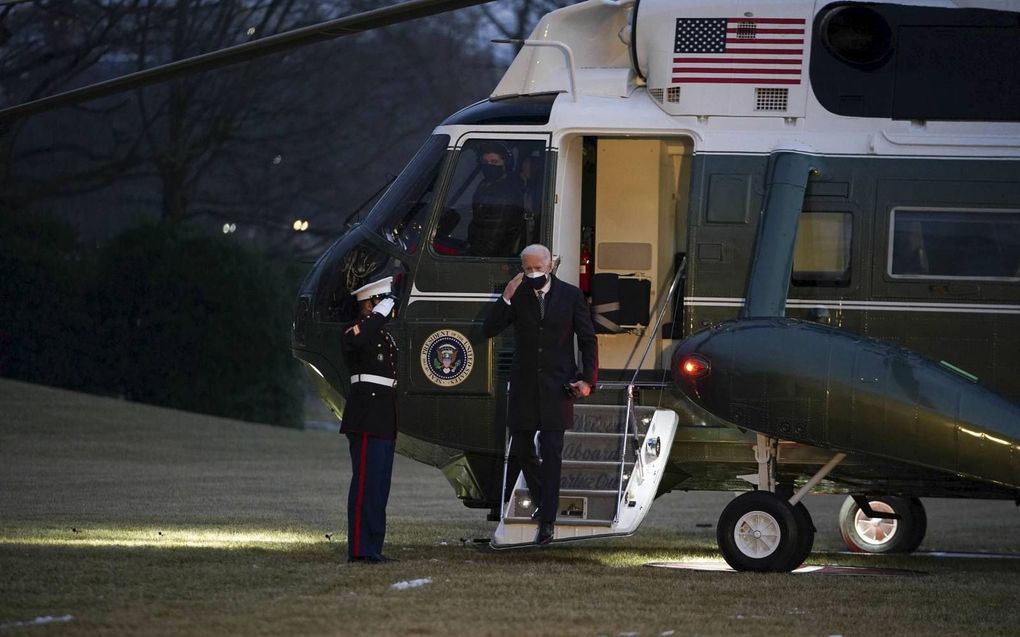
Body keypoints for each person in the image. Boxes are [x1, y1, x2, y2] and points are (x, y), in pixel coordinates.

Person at [483, 244, 598, 545]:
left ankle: (547, 522)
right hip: (524, 386)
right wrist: (505, 298)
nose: (533, 272)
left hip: (558, 386)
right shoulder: (517, 294)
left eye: (537, 266)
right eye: (527, 267)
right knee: (522, 448)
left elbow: (588, 340)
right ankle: (544, 501)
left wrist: (587, 379)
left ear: (550, 265)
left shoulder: (571, 295)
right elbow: (489, 328)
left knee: (552, 451)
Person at [340, 275, 399, 563]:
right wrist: (377, 314)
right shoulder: (355, 330)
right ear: (370, 302)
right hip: (366, 414)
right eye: (382, 300)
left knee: (379, 484)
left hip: (384, 415)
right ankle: (360, 549)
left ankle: (374, 546)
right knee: (365, 483)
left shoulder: (383, 334)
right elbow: (359, 338)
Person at [467, 144, 526, 257]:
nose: (489, 166)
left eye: (494, 162)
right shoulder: (485, 185)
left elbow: (494, 235)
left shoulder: (506, 192)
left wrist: (471, 256)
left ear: (505, 165)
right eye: (485, 162)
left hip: (493, 256)